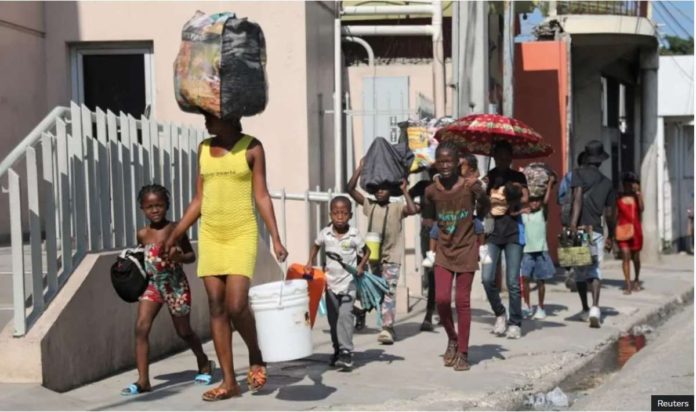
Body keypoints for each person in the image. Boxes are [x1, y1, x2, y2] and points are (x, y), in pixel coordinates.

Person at [164, 114, 288, 401]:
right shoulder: (204, 148)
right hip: (211, 235)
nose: (207, 123)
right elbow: (199, 200)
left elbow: (261, 196)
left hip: (241, 233)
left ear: (231, 118)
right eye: (206, 117)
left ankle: (256, 354)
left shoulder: (252, 148)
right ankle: (229, 382)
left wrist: (276, 238)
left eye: (212, 118)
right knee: (216, 307)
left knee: (236, 304)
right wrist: (175, 233)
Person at [121, 184, 212, 396]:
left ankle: (203, 361)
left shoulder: (175, 229)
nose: (155, 210)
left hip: (175, 285)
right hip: (153, 285)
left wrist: (179, 257)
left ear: (167, 206)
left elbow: (191, 256)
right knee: (141, 327)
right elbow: (143, 258)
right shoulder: (142, 234)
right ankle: (143, 380)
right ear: (142, 208)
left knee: (184, 331)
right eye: (149, 206)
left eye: (159, 205)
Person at [422, 142, 490, 371]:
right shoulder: (431, 191)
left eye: (449, 161)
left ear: (458, 162)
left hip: (467, 249)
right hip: (444, 250)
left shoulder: (470, 186)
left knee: (462, 302)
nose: (445, 166)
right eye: (440, 161)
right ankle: (452, 337)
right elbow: (428, 216)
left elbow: (483, 211)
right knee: (441, 300)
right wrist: (432, 227)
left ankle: (463, 352)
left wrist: (482, 194)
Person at [347, 160, 417, 344]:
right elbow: (350, 190)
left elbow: (413, 209)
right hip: (373, 257)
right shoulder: (370, 206)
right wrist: (359, 169)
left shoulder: (397, 207)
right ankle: (374, 318)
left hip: (392, 256)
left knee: (389, 290)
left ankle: (387, 328)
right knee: (375, 290)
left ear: (390, 191)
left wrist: (404, 190)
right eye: (376, 188)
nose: (380, 192)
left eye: (384, 188)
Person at [304, 196, 370, 371]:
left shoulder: (354, 234)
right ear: (330, 214)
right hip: (331, 284)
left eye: (344, 213)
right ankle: (337, 350)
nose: (340, 217)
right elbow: (316, 245)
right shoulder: (325, 233)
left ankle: (347, 352)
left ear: (349, 215)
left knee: (345, 316)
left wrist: (361, 266)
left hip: (349, 283)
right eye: (336, 213)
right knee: (333, 321)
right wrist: (310, 261)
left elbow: (367, 251)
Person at [481, 140, 529, 339]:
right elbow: (480, 200)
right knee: (487, 278)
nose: (501, 160)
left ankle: (515, 322)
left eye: (505, 157)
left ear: (510, 158)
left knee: (512, 282)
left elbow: (526, 197)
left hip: (513, 233)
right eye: (498, 156)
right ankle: (500, 313)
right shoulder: (489, 177)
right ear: (494, 157)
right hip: (492, 232)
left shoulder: (517, 176)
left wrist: (513, 192)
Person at [569, 140, 616, 328]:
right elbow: (611, 213)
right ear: (600, 160)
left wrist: (572, 225)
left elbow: (577, 199)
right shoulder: (607, 183)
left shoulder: (578, 174)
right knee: (595, 269)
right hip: (596, 230)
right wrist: (610, 235)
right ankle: (596, 308)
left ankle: (585, 308)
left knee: (580, 271)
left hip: (580, 230)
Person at [424, 153, 483, 268]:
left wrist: (476, 181)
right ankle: (431, 253)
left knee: (479, 227)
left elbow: (480, 184)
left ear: (470, 169)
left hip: (469, 215)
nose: (459, 168)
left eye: (462, 166)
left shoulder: (472, 180)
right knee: (434, 231)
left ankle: (482, 249)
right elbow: (436, 176)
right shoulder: (450, 178)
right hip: (448, 215)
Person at [520, 174, 557, 320]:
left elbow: (547, 201)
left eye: (537, 201)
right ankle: (527, 306)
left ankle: (541, 307)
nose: (534, 203)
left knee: (541, 281)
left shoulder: (542, 214)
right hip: (527, 252)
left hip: (541, 251)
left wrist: (549, 184)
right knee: (526, 279)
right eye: (532, 201)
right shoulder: (524, 215)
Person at [616, 172, 643, 294]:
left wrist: (638, 194)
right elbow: (614, 214)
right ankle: (627, 283)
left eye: (631, 183)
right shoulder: (618, 196)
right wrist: (612, 232)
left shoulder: (637, 196)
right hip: (622, 230)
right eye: (626, 183)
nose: (628, 186)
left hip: (636, 231)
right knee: (625, 255)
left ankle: (636, 278)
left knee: (635, 257)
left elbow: (642, 209)